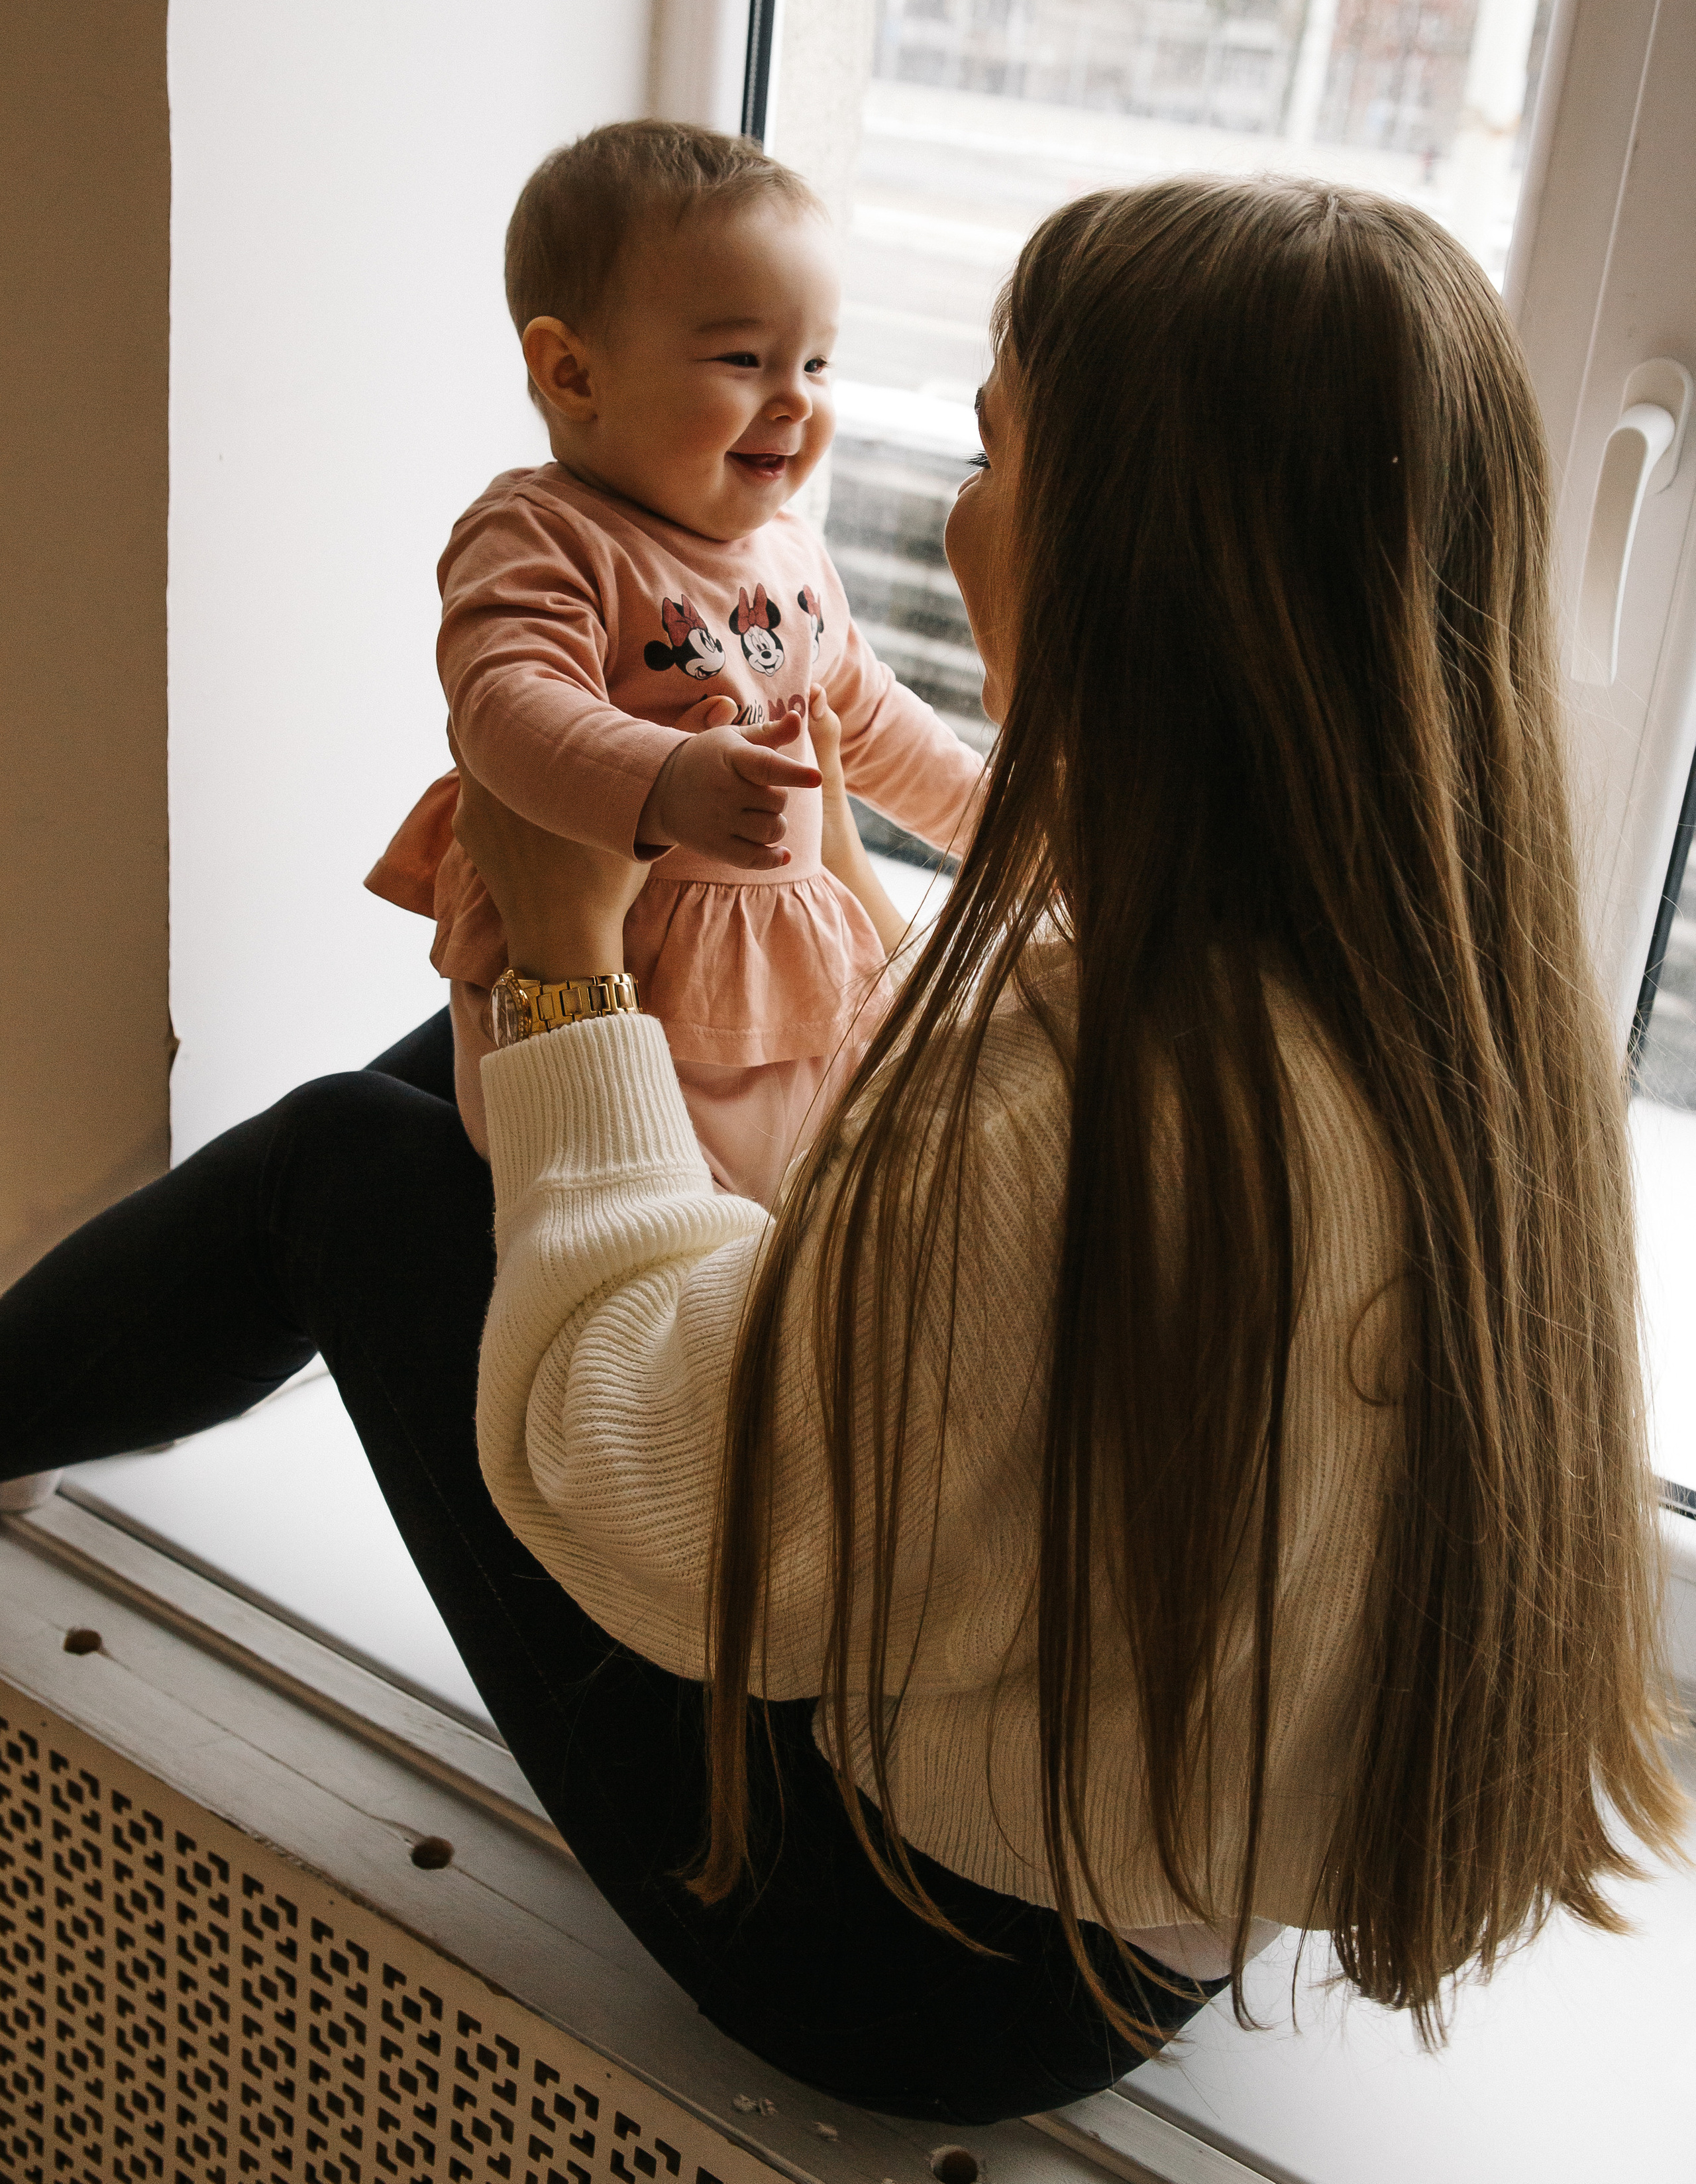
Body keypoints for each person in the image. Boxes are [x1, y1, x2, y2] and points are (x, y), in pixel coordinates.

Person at [0, 177, 1682, 2126]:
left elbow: (683, 1529)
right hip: (1149, 1883)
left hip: (910, 1953)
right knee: (441, 1090)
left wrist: (559, 964)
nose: (955, 508)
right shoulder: (1459, 995)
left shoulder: (1078, 1103)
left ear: (1130, 553)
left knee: (343, 1168)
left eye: (992, 446)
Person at [366, 119, 982, 1204]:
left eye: (817, 362)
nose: (795, 398)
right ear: (571, 371)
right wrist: (665, 780)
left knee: (812, 1204)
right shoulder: (540, 533)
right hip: (613, 968)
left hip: (789, 971)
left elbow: (871, 720)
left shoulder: (790, 552)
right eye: (745, 360)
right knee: (649, 1200)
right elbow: (508, 708)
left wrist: (1007, 826)